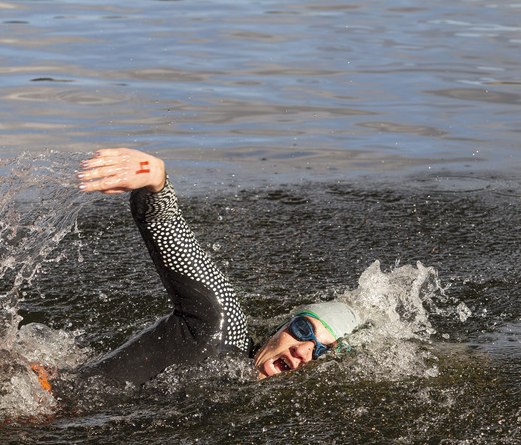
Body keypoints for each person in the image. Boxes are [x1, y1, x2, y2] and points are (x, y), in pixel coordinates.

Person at [74, 148, 361, 386]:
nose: (301, 351)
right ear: (279, 328)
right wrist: (155, 179)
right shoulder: (222, 326)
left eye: (320, 352)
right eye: (302, 329)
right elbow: (164, 225)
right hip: (46, 401)